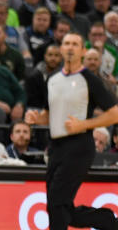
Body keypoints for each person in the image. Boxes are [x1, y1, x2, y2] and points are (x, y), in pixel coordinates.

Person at [26, 32, 118, 230]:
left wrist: (83, 125)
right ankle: (106, 220)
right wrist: (35, 118)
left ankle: (106, 220)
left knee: (57, 201)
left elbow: (115, 114)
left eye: (75, 44)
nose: (69, 47)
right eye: (66, 43)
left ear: (83, 51)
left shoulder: (90, 80)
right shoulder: (52, 79)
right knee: (58, 207)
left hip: (79, 146)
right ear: (61, 49)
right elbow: (48, 114)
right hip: (55, 147)